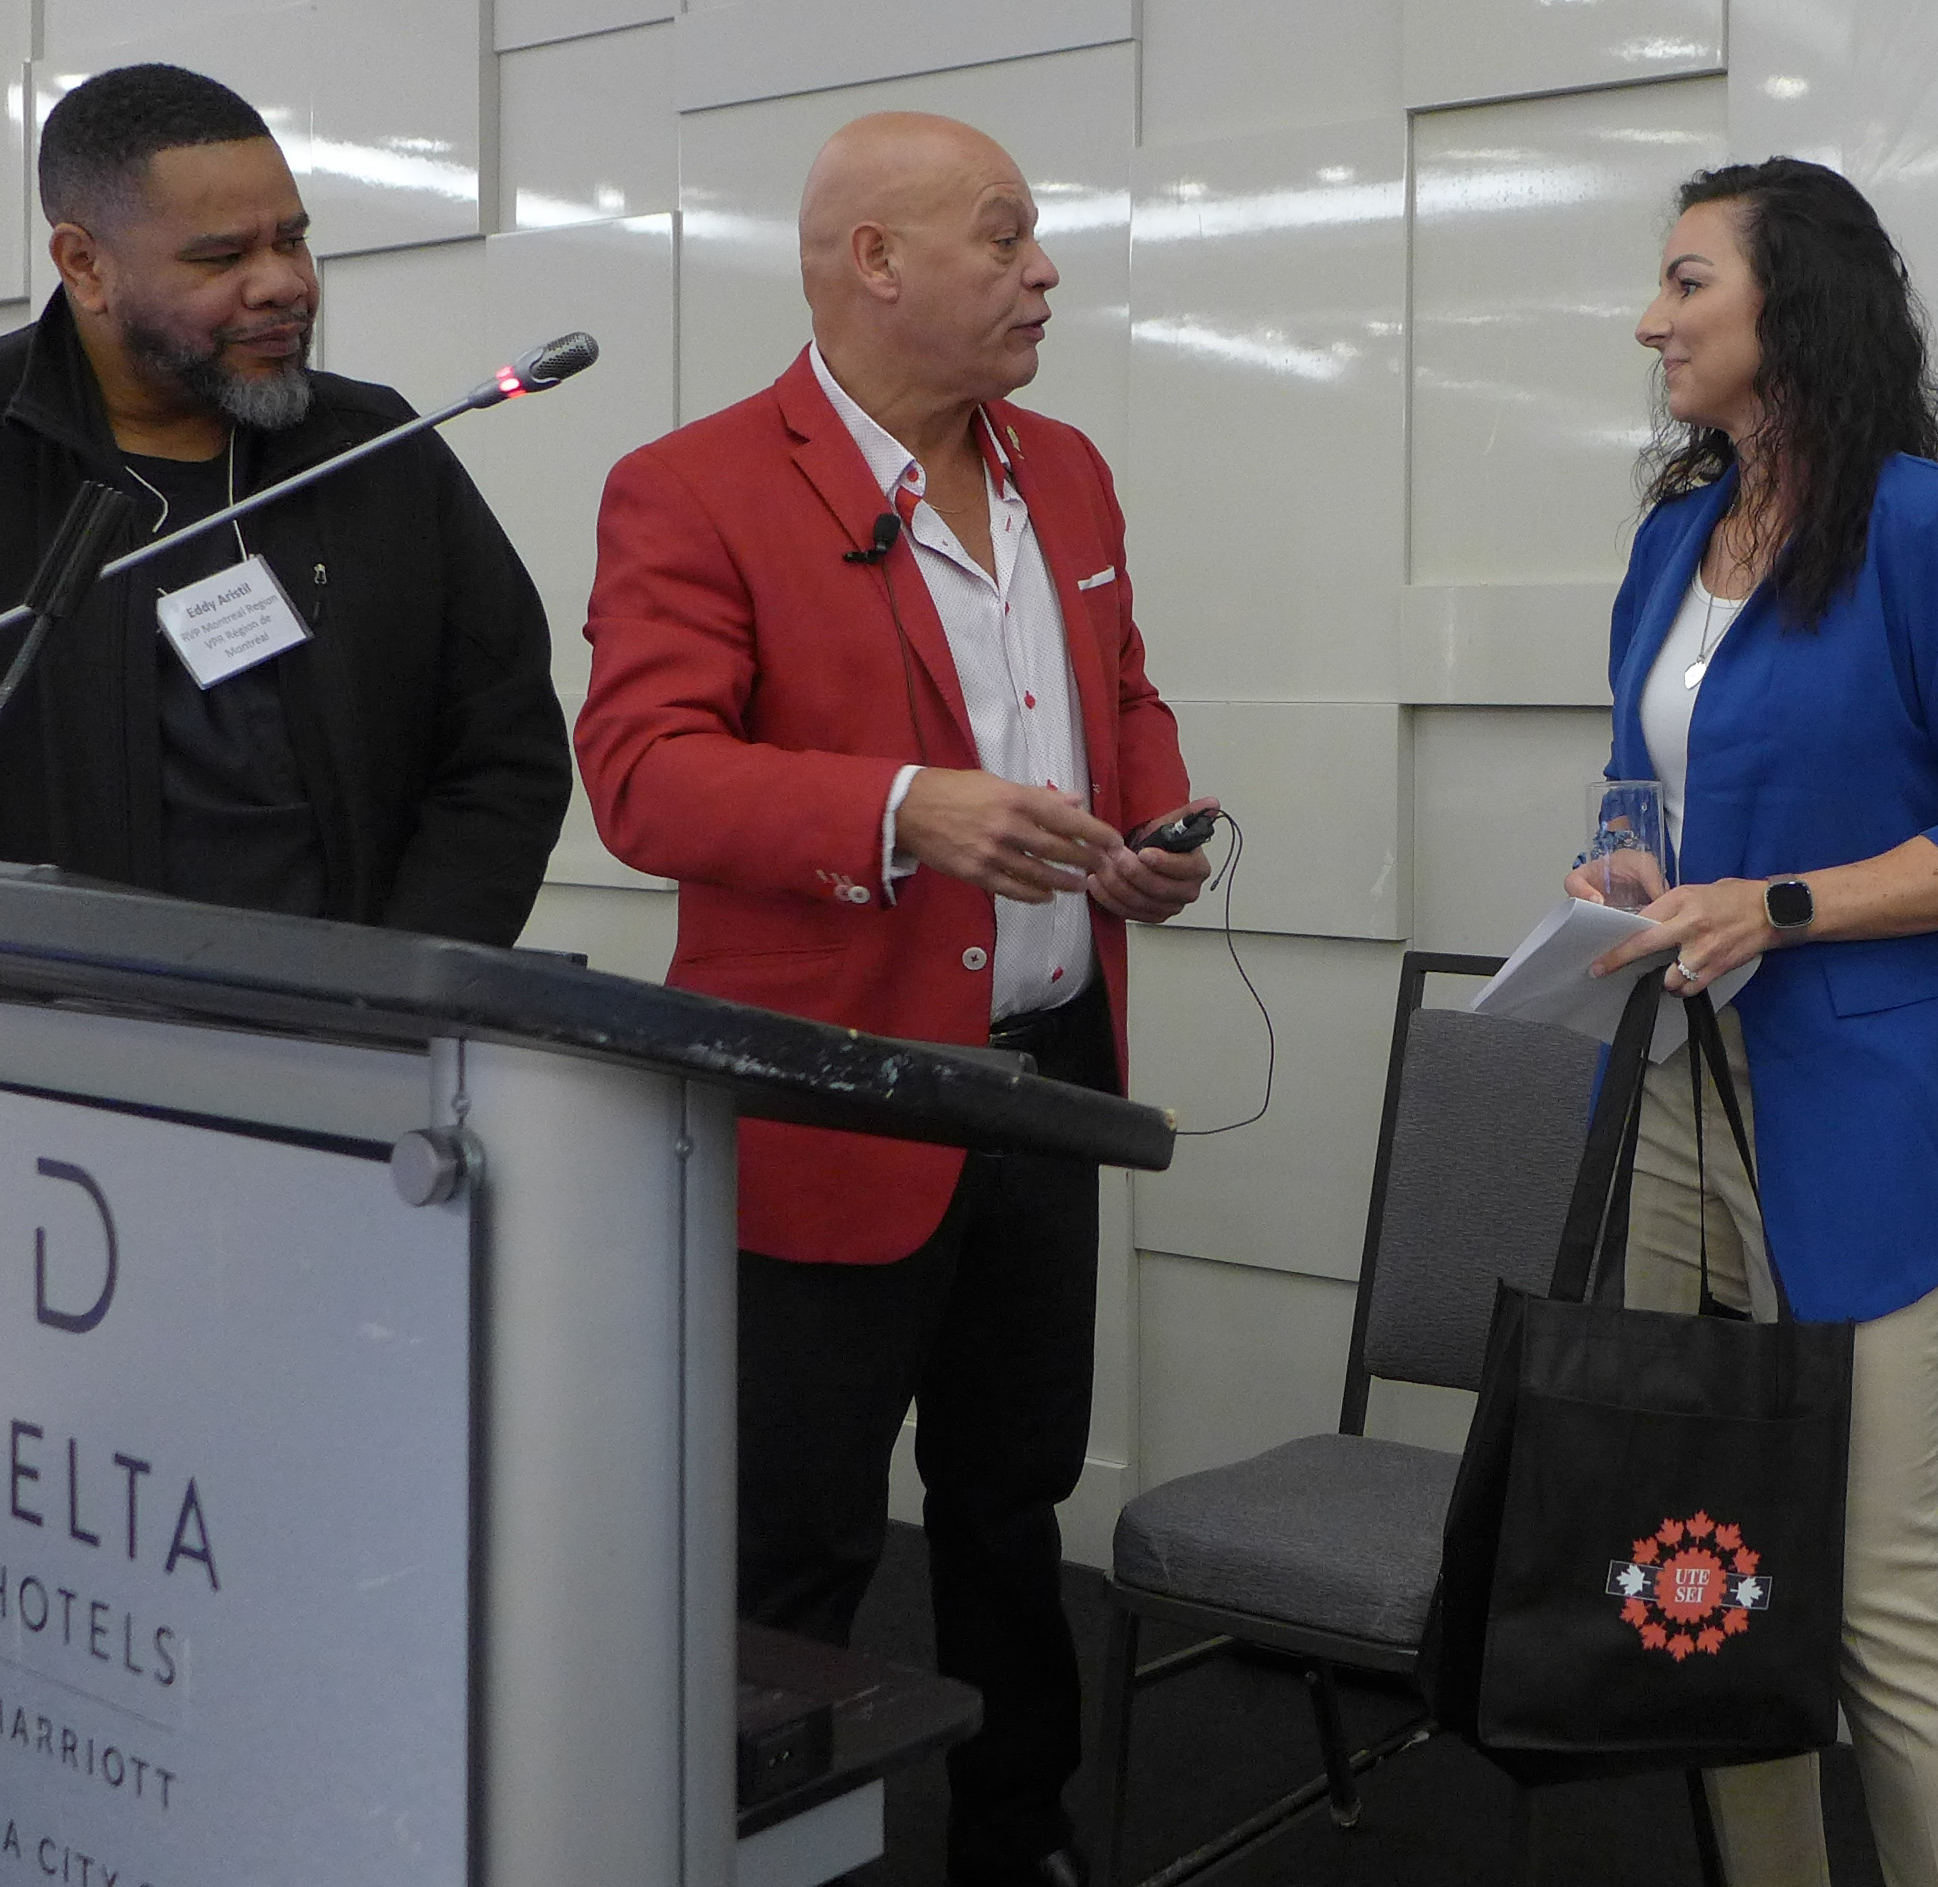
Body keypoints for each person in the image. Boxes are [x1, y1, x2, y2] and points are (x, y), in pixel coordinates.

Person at [576, 112, 1211, 1886]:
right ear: (874, 259)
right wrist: (892, 807)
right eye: (1006, 238)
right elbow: (642, 774)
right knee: (799, 1537)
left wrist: (1156, 827)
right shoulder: (691, 485)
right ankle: (767, 1850)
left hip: (1042, 1080)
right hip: (831, 1096)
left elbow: (1122, 691)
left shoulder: (1066, 472)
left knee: (1013, 1507)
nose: (1044, 270)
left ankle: (1021, 1841)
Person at [1567, 158, 1938, 1887]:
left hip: (1863, 1102)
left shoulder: (1936, 527)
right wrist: (1629, 861)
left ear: (1791, 304)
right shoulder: (1672, 535)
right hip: (1675, 1088)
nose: (1650, 319)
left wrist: (1781, 902)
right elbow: (1654, 780)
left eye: (1684, 283)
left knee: (1874, 1591)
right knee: (1700, 1556)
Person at [0, 63, 568, 945]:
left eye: (291, 239)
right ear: (85, 265)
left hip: (359, 1037)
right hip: (21, 1037)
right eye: (223, 256)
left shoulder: (375, 447)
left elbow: (501, 753)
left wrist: (407, 988)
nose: (282, 282)